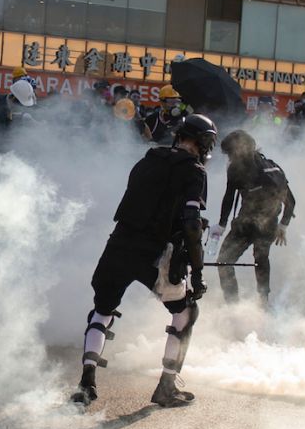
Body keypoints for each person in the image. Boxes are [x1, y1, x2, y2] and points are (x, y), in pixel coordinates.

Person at [74, 113, 214, 409]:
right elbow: (190, 222)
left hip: (119, 245)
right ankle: (166, 386)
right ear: (204, 143)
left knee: (102, 310)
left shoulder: (147, 159)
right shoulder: (195, 171)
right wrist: (198, 271)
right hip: (154, 254)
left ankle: (86, 383)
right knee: (186, 312)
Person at [211, 130, 296, 307]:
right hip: (268, 224)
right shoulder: (272, 166)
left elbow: (228, 198)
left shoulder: (236, 169)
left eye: (230, 153)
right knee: (261, 258)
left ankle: (233, 305)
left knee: (224, 261)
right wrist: (283, 225)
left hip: (248, 224)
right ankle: (262, 300)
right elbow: (291, 201)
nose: (229, 158)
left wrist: (221, 225)